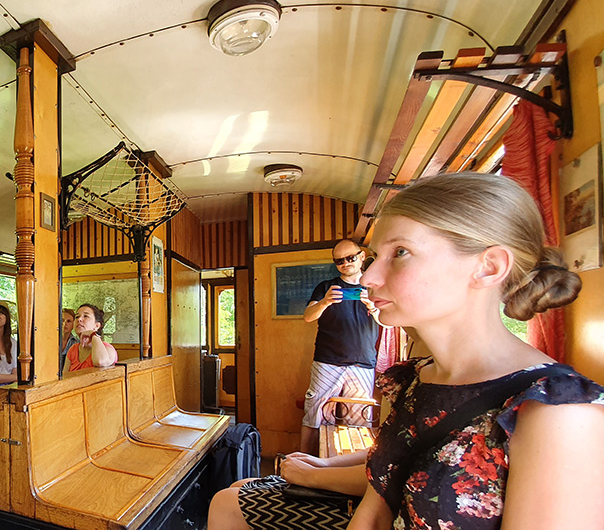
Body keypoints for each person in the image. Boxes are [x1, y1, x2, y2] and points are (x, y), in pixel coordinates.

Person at [348, 172, 604, 529]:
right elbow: (375, 510)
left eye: (400, 252)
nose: (367, 277)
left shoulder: (557, 414)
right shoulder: (417, 380)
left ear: (488, 267)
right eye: (376, 256)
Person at [299, 239, 381, 455]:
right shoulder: (326, 287)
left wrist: (372, 306)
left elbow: (389, 322)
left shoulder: (374, 286)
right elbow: (308, 316)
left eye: (350, 258)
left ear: (361, 257)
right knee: (314, 415)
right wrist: (325, 301)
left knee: (359, 420)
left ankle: (348, 468)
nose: (345, 263)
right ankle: (304, 464)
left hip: (363, 362)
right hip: (326, 361)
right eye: (339, 261)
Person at [209, 450, 369, 529]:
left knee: (224, 505)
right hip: (363, 494)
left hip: (367, 508)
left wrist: (310, 475)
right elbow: (378, 452)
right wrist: (324, 463)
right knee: (241, 485)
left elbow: (381, 479)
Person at [64, 303, 118, 371]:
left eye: (86, 316)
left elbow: (100, 361)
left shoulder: (107, 349)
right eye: (77, 317)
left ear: (97, 326)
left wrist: (93, 335)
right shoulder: (73, 349)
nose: (79, 319)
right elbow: (65, 375)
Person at [60, 308, 77, 373]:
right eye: (62, 320)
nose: (65, 324)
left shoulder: (76, 343)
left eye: (69, 321)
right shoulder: (50, 340)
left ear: (73, 325)